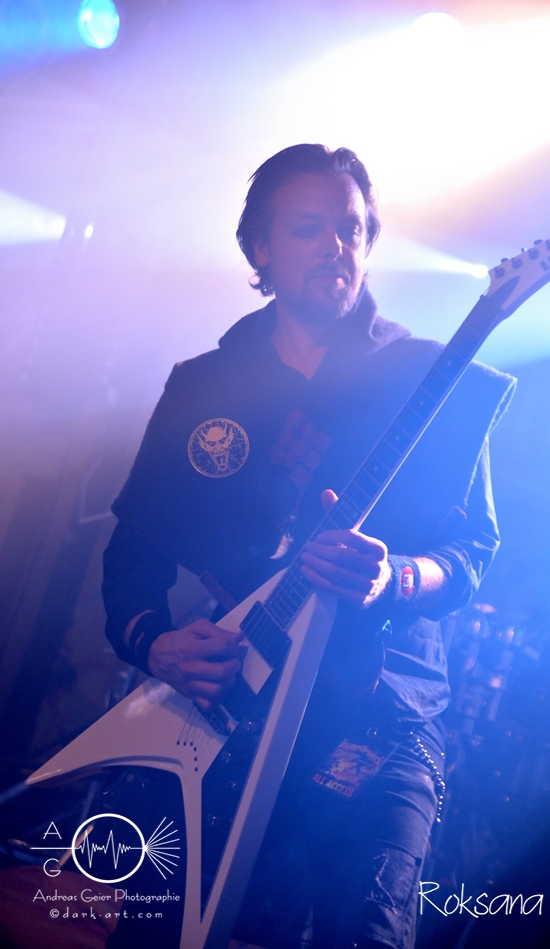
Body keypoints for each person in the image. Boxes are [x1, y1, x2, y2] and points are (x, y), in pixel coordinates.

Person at [102, 144, 516, 949]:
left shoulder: (433, 377)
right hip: (229, 703)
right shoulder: (204, 386)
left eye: (353, 229)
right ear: (259, 248)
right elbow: (133, 557)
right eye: (309, 228)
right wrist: (156, 644)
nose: (337, 245)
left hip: (381, 713)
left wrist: (394, 578)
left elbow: (473, 551)